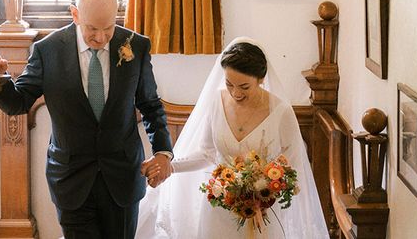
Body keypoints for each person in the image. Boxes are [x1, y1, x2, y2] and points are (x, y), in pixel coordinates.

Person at [0, 0, 173, 239]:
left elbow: (150, 106)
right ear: (75, 15)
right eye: (92, 29)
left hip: (122, 178)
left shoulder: (135, 46)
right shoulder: (48, 50)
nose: (100, 37)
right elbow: (18, 102)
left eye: (108, 28)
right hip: (71, 178)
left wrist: (163, 152)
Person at [135, 38, 329, 238]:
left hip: (264, 213)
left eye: (244, 87)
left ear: (261, 79)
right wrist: (170, 167)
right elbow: (206, 154)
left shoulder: (281, 112)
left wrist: (263, 197)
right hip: (219, 208)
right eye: (229, 84)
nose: (236, 93)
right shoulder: (216, 102)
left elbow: (293, 167)